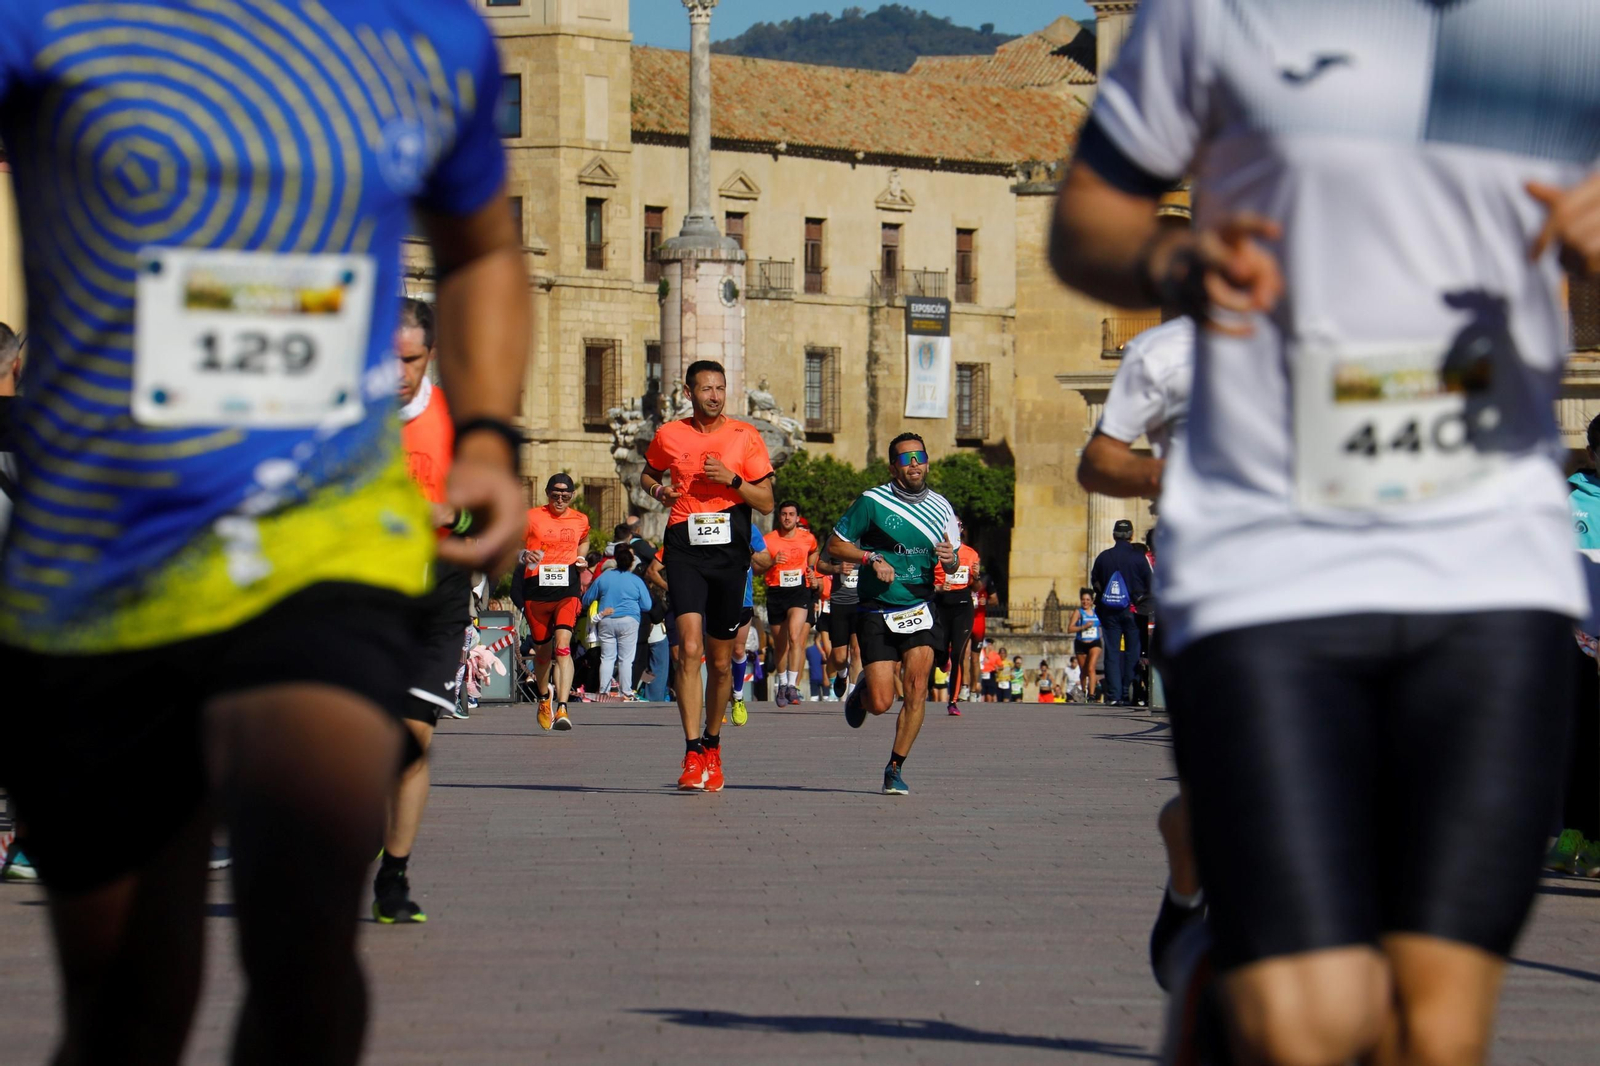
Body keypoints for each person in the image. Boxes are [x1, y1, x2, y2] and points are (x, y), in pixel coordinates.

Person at [1051, 3, 1594, 1061]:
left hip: (1492, 564)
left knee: (1436, 1031)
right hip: (1267, 559)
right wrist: (1173, 265)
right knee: (1310, 1023)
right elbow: (1087, 221)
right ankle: (1225, 981)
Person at [0, 3, 528, 1060]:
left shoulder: (428, 36)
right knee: (123, 1004)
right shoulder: (43, 19)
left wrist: (486, 431)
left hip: (326, 543)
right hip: (98, 559)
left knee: (300, 943)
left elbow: (482, 249)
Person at [374, 299, 475, 925]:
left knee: (411, 739)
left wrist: (453, 515)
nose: (398, 373)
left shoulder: (459, 422)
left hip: (437, 590)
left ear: (430, 354)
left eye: (410, 360)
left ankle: (393, 874)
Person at [641, 360, 776, 791]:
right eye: (706, 389)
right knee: (690, 649)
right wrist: (660, 490)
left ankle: (714, 746)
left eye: (720, 388)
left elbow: (767, 502)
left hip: (729, 551)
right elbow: (648, 473)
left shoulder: (744, 436)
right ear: (689, 392)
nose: (714, 396)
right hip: (684, 545)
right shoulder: (669, 434)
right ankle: (691, 749)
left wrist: (733, 479)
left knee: (720, 663)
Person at [829, 433, 960, 795]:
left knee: (918, 688)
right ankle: (862, 693)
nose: (914, 463)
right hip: (876, 608)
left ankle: (895, 767)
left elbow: (952, 563)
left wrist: (951, 562)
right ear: (893, 467)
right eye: (906, 458)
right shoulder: (872, 502)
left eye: (920, 456)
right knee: (882, 701)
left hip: (920, 607)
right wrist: (871, 557)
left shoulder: (941, 508)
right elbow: (835, 544)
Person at [1555, 412, 1600, 876]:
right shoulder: (1567, 503)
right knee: (1583, 741)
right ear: (1592, 454)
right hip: (1580, 647)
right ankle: (1573, 835)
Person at [522, 473, 591, 731]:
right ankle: (543, 698)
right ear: (547, 493)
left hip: (567, 589)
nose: (560, 498)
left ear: (571, 495)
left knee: (563, 647)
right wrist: (522, 554)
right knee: (542, 653)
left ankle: (562, 707)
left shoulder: (580, 519)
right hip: (536, 589)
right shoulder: (531, 517)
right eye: (555, 494)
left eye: (565, 494)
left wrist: (581, 559)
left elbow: (583, 540)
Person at [764, 501, 821, 707]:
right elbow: (756, 564)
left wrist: (811, 568)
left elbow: (814, 551)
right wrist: (771, 561)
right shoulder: (769, 540)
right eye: (784, 514)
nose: (787, 518)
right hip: (776, 592)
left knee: (796, 637)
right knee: (780, 644)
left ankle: (791, 686)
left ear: (798, 518)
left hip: (799, 591)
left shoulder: (807, 538)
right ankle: (781, 684)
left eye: (791, 514)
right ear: (779, 517)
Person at [1090, 519, 1151, 707]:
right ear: (1131, 535)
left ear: (1114, 535)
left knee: (1112, 651)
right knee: (1133, 651)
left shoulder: (1103, 557)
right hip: (1133, 610)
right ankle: (1128, 692)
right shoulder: (1138, 558)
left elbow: (1095, 582)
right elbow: (1150, 583)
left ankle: (1114, 695)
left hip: (1109, 611)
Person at [580, 544, 654, 701]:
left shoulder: (604, 577)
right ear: (631, 563)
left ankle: (604, 690)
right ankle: (626, 691)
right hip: (629, 620)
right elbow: (647, 605)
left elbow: (586, 599)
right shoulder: (636, 580)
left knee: (607, 657)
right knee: (626, 658)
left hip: (607, 620)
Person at [933, 527, 980, 716]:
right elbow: (925, 580)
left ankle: (953, 701)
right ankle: (941, 660)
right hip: (940, 605)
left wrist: (976, 576)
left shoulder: (971, 554)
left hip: (963, 605)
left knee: (958, 654)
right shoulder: (935, 553)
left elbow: (976, 586)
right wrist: (938, 588)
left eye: (959, 526)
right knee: (940, 650)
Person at [817, 545, 864, 701]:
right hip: (839, 603)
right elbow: (820, 565)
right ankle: (842, 675)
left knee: (857, 651)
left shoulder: (868, 536)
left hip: (861, 603)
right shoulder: (836, 539)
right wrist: (837, 568)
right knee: (838, 658)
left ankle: (852, 695)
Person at [1068, 589, 1103, 704]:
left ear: (1092, 601)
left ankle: (1092, 695)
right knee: (1084, 671)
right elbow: (1070, 629)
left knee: (1091, 668)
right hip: (1081, 643)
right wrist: (1083, 627)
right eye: (1083, 600)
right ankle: (1083, 692)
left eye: (1088, 600)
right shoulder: (1078, 612)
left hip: (1095, 643)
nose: (1085, 602)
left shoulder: (1096, 612)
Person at [806, 631, 826, 701]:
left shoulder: (809, 650)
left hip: (813, 676)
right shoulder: (826, 649)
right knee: (827, 698)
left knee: (814, 698)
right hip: (825, 676)